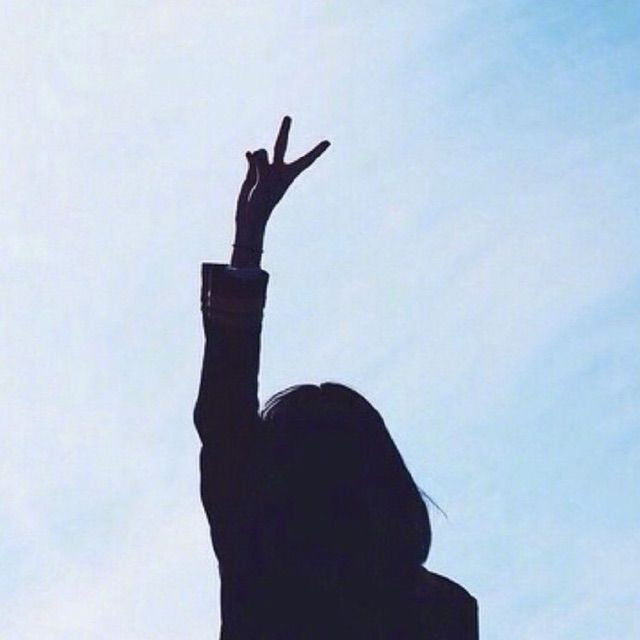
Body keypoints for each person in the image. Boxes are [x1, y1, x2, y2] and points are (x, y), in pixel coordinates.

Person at [194, 116, 479, 639]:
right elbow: (227, 424)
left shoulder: (259, 560)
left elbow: (225, 419)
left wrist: (248, 240)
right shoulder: (444, 609)